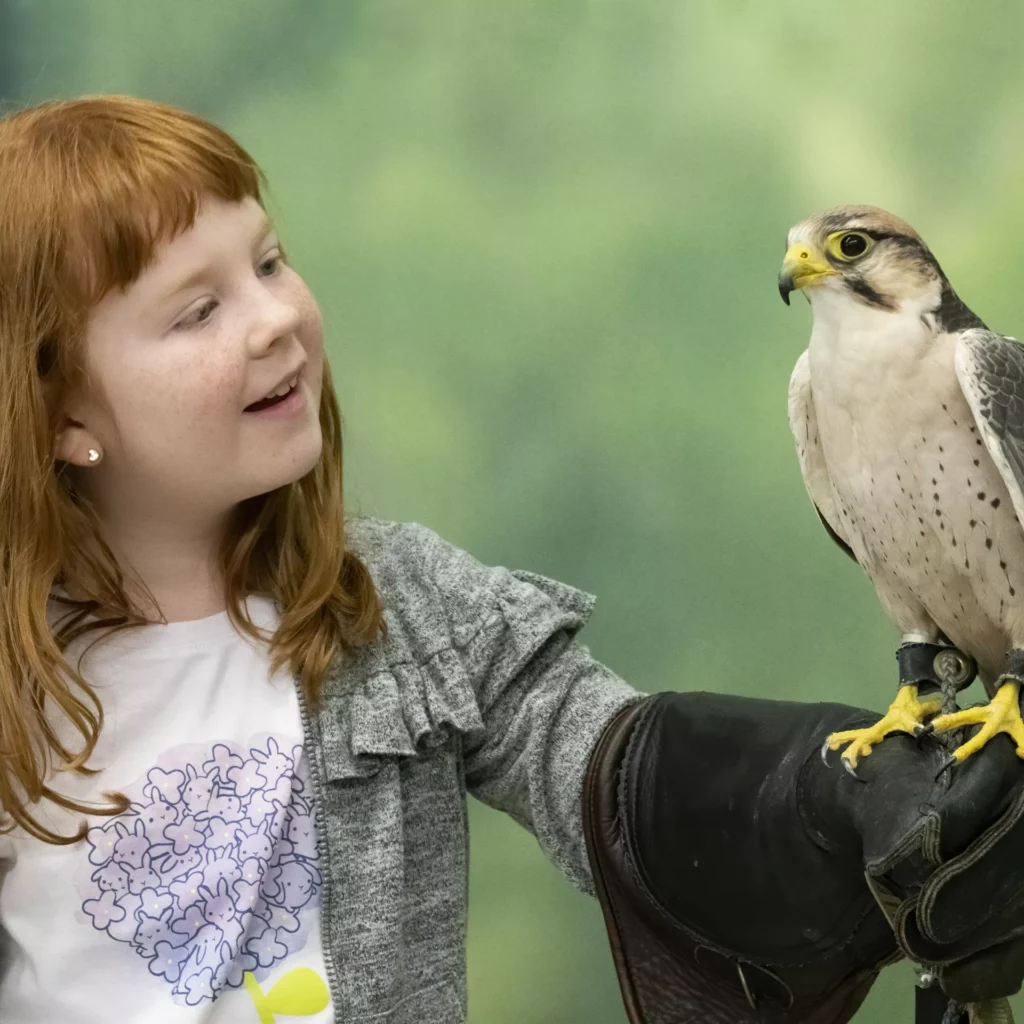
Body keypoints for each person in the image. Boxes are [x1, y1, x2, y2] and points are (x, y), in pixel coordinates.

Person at [0, 94, 1023, 1024]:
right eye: (198, 310)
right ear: (58, 411)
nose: (274, 318)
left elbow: (607, 772)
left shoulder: (392, 604)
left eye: (268, 264)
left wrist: (814, 801)